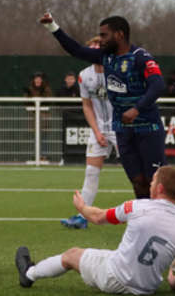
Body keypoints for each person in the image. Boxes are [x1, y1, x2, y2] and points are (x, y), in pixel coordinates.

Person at [40, 13, 166, 198]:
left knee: (155, 183)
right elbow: (76, 50)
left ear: (120, 35)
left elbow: (158, 85)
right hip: (122, 130)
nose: (101, 40)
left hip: (148, 128)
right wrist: (52, 27)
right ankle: (144, 221)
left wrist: (136, 109)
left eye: (105, 35)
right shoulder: (105, 56)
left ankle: (165, 223)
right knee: (138, 182)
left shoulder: (140, 57)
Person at [15, 166, 175, 294]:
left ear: (160, 188)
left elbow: (98, 218)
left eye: (154, 180)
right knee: (114, 254)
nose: (150, 183)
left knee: (71, 255)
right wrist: (173, 281)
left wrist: (82, 208)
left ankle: (28, 274)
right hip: (147, 288)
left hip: (115, 277)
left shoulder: (137, 207)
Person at [61, 36, 118, 229]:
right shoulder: (84, 75)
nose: (94, 51)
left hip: (121, 128)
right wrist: (97, 131)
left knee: (134, 172)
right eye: (91, 47)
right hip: (99, 128)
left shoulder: (117, 71)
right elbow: (86, 106)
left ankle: (149, 213)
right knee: (91, 172)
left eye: (98, 47)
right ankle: (82, 216)